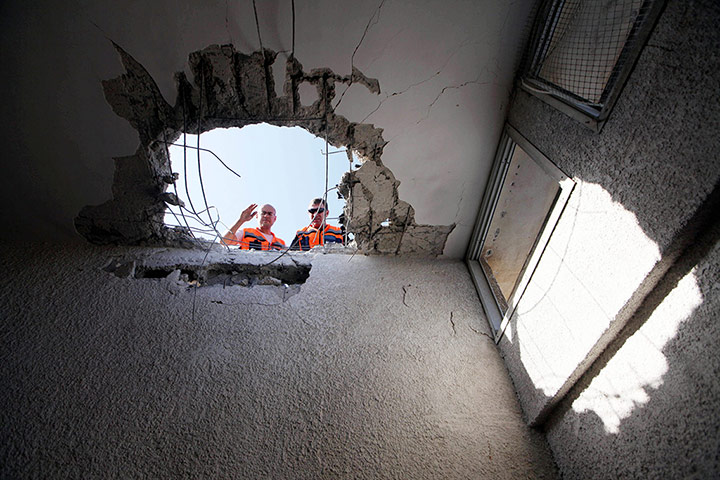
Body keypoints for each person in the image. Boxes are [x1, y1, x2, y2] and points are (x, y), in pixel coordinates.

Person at [221, 203, 285, 251]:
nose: (266, 216)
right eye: (263, 213)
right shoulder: (245, 233)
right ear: (257, 216)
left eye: (270, 214)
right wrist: (241, 221)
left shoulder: (281, 243)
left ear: (275, 218)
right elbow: (224, 241)